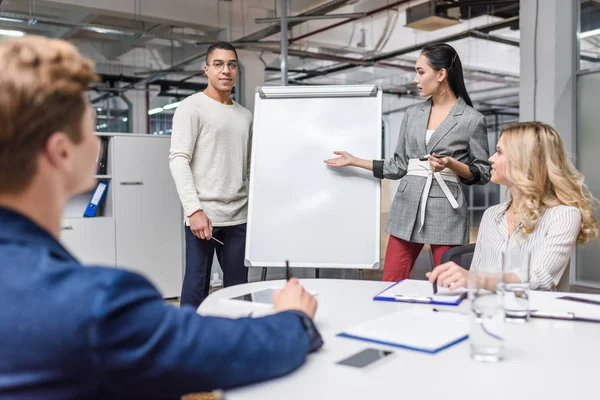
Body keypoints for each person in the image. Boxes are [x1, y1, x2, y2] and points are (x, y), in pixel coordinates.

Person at [0, 36, 322, 399]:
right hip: (208, 219)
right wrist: (295, 320)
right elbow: (203, 350)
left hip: (239, 213)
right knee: (195, 285)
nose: (97, 143)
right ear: (61, 152)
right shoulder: (97, 304)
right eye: (89, 130)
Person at [325, 43, 491, 281]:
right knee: (390, 280)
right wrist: (354, 161)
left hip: (447, 211)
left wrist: (451, 164)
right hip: (407, 204)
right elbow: (398, 166)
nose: (415, 79)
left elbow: (483, 173)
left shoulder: (472, 120)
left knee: (447, 284)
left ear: (441, 74)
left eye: (421, 72)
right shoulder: (412, 114)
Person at [427, 122, 599, 292]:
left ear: (525, 160)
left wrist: (477, 280)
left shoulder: (564, 215)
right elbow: (475, 275)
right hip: (489, 312)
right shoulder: (492, 215)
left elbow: (540, 277)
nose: (490, 159)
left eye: (499, 152)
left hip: (537, 315)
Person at [169, 41, 252, 308]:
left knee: (239, 293)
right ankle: (187, 345)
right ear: (207, 69)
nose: (225, 70)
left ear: (237, 71)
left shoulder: (245, 116)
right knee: (195, 290)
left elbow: (248, 168)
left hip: (239, 217)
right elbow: (178, 160)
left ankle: (237, 342)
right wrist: (194, 210)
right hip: (203, 217)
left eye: (231, 64)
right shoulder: (191, 107)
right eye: (218, 64)